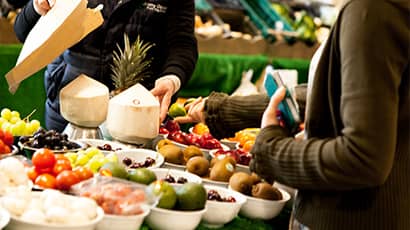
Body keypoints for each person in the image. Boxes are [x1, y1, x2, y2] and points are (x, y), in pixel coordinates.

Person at [175, 0, 409, 229]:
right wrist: (226, 110)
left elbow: (363, 158)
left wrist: (271, 149)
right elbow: (334, 94)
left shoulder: (371, 12)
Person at [13, 0, 198, 132]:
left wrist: (172, 77)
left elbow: (182, 43)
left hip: (133, 112)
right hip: (68, 104)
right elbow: (23, 32)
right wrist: (37, 7)